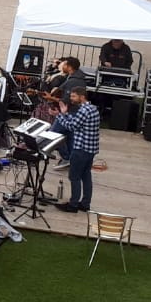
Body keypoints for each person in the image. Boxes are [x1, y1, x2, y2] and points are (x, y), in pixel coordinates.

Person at [50, 84, 101, 212]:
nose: (71, 98)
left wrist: (59, 116)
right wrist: (65, 114)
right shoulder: (92, 108)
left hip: (81, 149)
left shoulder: (84, 110)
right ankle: (85, 204)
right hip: (90, 149)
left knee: (74, 177)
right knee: (86, 176)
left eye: (73, 96)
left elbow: (72, 127)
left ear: (82, 97)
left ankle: (73, 205)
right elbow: (77, 122)